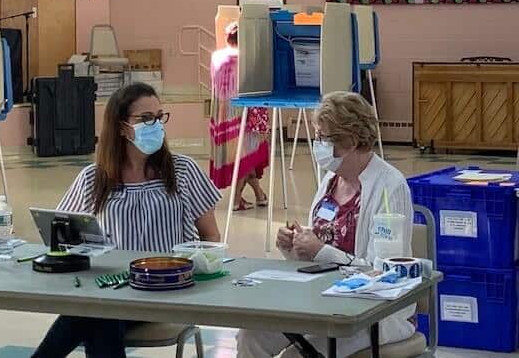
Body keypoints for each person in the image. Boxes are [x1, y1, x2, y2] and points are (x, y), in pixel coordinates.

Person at [33, 83, 221, 358]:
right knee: (99, 312)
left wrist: (195, 277)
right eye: (145, 119)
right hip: (113, 286)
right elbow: (62, 236)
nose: (155, 124)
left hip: (167, 288)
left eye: (159, 117)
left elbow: (211, 237)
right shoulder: (93, 178)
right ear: (121, 127)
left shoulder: (183, 170)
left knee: (95, 314)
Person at [236, 92, 415, 358]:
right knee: (251, 335)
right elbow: (316, 250)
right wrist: (293, 245)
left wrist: (320, 250)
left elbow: (383, 274)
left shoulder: (390, 186)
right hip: (319, 298)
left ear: (352, 141)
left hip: (371, 311)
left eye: (324, 138)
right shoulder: (331, 179)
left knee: (297, 356)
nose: (317, 144)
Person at [210, 21, 269, 210]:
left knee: (242, 158)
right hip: (243, 112)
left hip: (221, 114)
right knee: (245, 158)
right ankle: (236, 199)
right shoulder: (245, 59)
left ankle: (260, 195)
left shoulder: (216, 56)